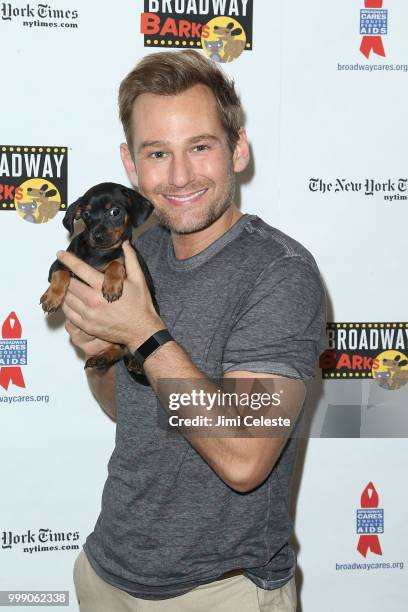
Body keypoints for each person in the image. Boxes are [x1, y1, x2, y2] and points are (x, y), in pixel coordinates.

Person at [59, 50, 326, 611]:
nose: (179, 176)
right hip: (108, 573)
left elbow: (245, 459)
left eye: (200, 146)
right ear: (131, 165)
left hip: (221, 591)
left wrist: (145, 334)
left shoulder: (280, 272)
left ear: (239, 149)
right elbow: (125, 408)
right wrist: (99, 353)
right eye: (158, 153)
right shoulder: (135, 252)